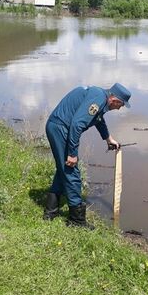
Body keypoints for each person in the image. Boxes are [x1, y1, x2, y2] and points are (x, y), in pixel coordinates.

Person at [43, 83, 131, 229]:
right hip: (60, 128)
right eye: (121, 104)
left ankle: (50, 211)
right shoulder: (98, 98)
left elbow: (99, 119)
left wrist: (108, 139)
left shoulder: (100, 97)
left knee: (63, 170)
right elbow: (77, 124)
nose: (120, 108)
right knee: (71, 171)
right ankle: (76, 221)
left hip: (59, 127)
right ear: (115, 100)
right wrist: (72, 153)